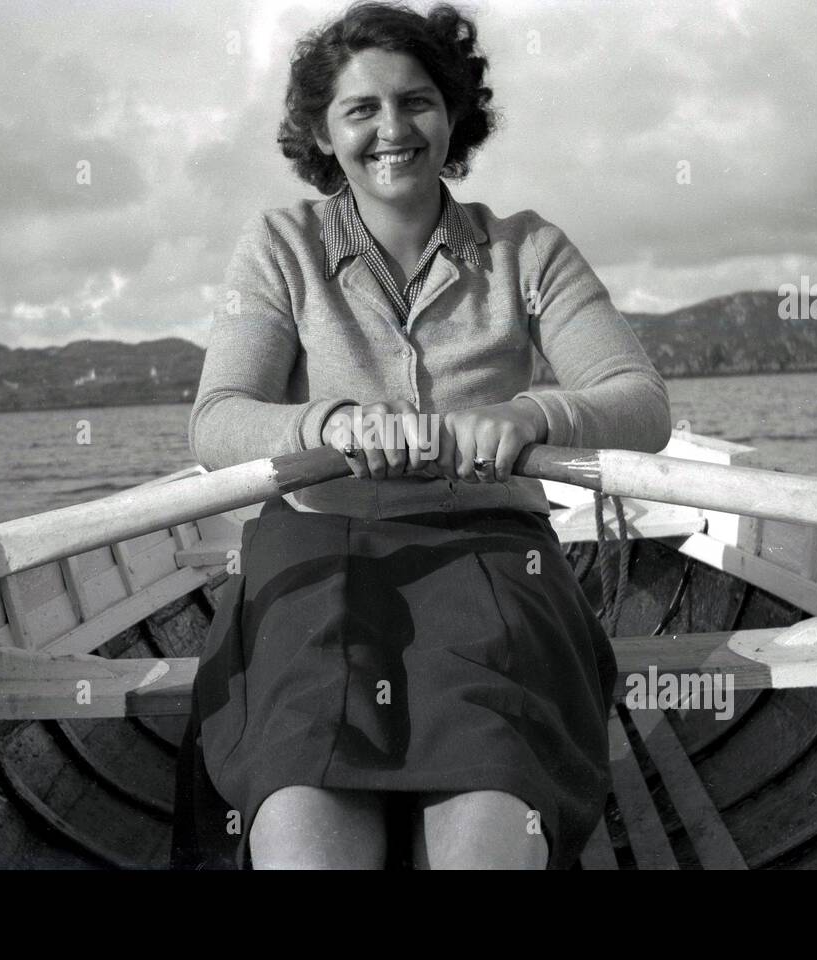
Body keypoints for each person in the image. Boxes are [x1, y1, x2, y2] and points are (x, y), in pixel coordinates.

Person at [179, 0, 670, 870]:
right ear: (323, 135)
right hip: (316, 551)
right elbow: (218, 421)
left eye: (417, 101)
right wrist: (324, 424)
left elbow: (640, 405)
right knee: (305, 784)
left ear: (453, 115)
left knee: (493, 795)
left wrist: (529, 417)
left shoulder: (528, 248)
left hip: (492, 553)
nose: (392, 128)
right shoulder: (278, 245)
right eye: (360, 110)